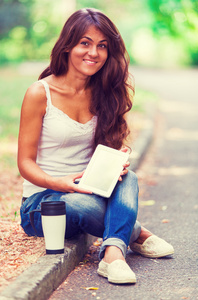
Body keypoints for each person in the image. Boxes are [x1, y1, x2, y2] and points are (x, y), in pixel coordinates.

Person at [18, 8, 174, 284]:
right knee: (79, 204)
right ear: (68, 45)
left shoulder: (105, 93)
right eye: (85, 43)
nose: (94, 52)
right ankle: (135, 233)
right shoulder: (39, 93)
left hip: (92, 189)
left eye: (102, 46)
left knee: (129, 178)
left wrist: (116, 161)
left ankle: (112, 255)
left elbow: (106, 152)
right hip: (43, 203)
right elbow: (25, 163)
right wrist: (61, 182)